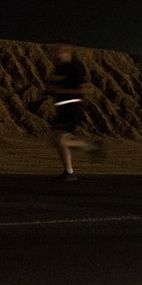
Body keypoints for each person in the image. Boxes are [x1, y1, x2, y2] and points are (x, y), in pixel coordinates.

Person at [45, 42, 101, 181]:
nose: (56, 53)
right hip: (62, 109)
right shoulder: (59, 69)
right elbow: (52, 87)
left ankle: (71, 170)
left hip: (72, 108)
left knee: (60, 140)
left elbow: (83, 89)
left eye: (59, 50)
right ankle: (71, 169)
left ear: (66, 53)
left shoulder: (72, 68)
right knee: (55, 141)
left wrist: (63, 91)